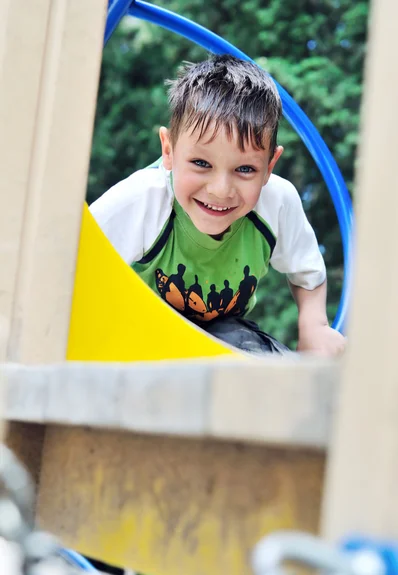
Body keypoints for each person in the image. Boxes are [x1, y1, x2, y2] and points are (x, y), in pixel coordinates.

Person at [90, 54, 345, 356]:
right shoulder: (143, 200)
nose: (220, 190)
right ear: (168, 150)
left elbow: (308, 272)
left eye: (245, 169)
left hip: (222, 338)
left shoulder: (276, 203)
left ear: (269, 166)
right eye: (201, 163)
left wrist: (314, 326)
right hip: (140, 333)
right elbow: (73, 260)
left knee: (259, 356)